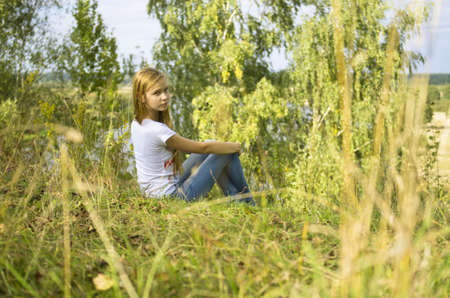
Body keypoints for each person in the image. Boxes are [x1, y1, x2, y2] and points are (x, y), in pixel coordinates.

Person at [130, 67, 255, 205]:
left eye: (166, 90)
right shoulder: (157, 130)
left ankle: (238, 200)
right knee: (225, 152)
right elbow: (203, 148)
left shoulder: (137, 122)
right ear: (142, 97)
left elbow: (204, 147)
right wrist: (235, 146)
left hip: (158, 191)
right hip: (172, 199)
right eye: (157, 93)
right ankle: (248, 201)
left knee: (217, 146)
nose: (165, 96)